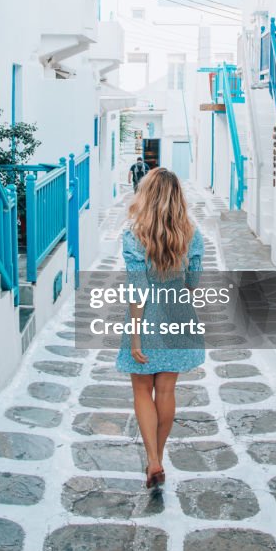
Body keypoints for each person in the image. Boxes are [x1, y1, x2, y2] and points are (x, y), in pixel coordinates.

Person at [115, 168, 205, 488]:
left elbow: (137, 288)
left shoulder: (133, 235)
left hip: (147, 318)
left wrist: (136, 334)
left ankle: (152, 459)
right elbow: (193, 283)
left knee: (142, 389)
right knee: (166, 391)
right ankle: (160, 457)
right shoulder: (192, 234)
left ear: (147, 195)